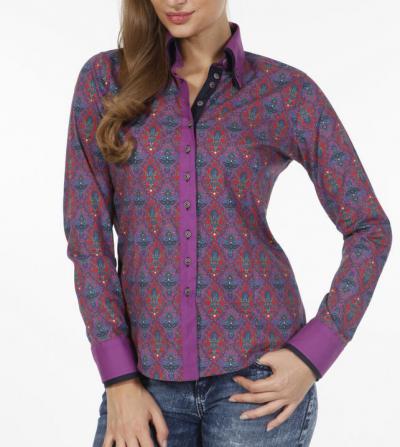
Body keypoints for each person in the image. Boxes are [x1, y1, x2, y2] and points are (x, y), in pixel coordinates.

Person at [62, 1, 392, 446]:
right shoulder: (106, 80)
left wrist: (314, 352)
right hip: (144, 378)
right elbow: (87, 237)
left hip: (258, 381)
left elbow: (369, 227)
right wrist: (118, 378)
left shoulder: (284, 92)